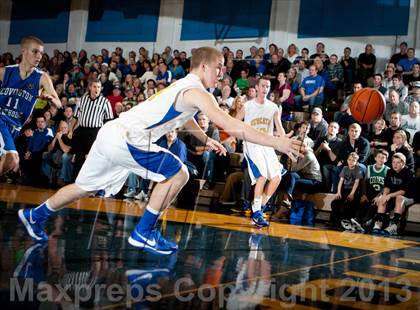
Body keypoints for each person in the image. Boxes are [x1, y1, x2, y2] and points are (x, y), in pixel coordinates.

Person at [19, 47, 304, 255]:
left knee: (82, 187)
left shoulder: (185, 88)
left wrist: (205, 137)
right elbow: (234, 126)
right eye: (219, 67)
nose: (222, 72)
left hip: (113, 134)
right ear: (204, 66)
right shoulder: (196, 91)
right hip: (129, 138)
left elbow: (186, 118)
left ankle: (36, 216)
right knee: (178, 172)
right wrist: (278, 142)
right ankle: (144, 232)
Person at [0, 36, 61, 175]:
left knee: (8, 163)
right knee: (13, 159)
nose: (39, 56)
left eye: (41, 53)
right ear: (24, 51)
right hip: (1, 120)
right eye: (35, 52)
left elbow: (58, 103)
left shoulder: (42, 77)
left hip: (15, 127)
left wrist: (51, 98)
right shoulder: (6, 72)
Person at [235, 77, 287, 227]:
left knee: (277, 178)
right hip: (252, 145)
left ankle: (259, 207)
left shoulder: (273, 107)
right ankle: (257, 212)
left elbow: (279, 127)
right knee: (262, 176)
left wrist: (284, 140)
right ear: (257, 87)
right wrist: (237, 136)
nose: (265, 88)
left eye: (268, 86)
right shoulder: (248, 106)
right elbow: (235, 122)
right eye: (263, 85)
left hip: (267, 144)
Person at [372, 153, 414, 235]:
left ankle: (394, 226)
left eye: (398, 162)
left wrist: (390, 195)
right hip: (395, 194)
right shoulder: (390, 171)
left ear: (403, 163)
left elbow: (403, 191)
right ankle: (379, 223)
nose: (395, 164)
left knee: (399, 197)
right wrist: (384, 195)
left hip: (409, 196)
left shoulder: (408, 173)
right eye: (393, 162)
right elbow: (387, 186)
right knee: (382, 197)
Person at [350, 149, 390, 232]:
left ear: (386, 160)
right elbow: (364, 182)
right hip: (369, 192)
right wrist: (364, 194)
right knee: (361, 201)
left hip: (380, 194)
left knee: (372, 206)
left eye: (383, 157)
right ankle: (356, 219)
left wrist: (379, 196)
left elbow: (386, 186)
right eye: (379, 157)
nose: (380, 159)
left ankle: (363, 222)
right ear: (375, 158)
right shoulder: (369, 168)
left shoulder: (387, 170)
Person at [330, 152, 363, 229]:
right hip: (345, 189)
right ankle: (334, 221)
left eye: (353, 160)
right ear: (347, 160)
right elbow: (341, 181)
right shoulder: (345, 168)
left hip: (354, 191)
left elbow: (356, 182)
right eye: (349, 160)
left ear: (356, 162)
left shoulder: (358, 169)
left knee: (347, 204)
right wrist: (338, 192)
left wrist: (352, 194)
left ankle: (346, 221)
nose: (351, 162)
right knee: (335, 203)